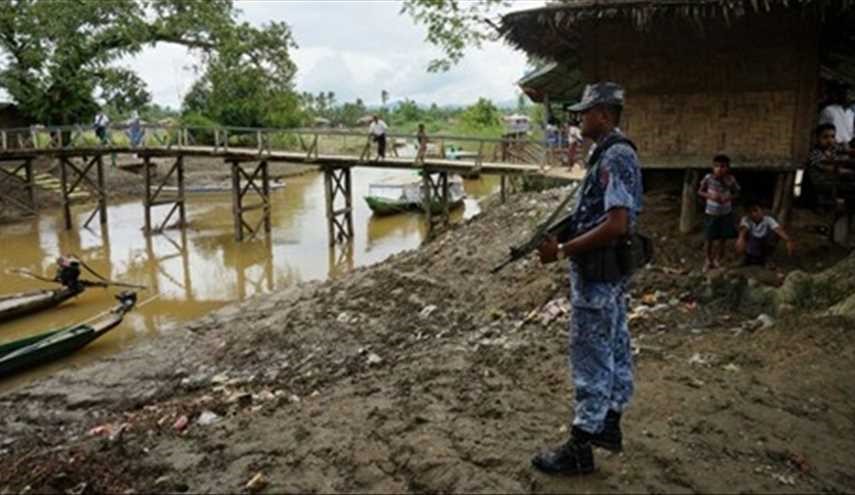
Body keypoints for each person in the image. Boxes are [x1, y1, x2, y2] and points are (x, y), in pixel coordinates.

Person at [533, 82, 643, 476]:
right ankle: (608, 425)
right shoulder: (610, 154)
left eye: (584, 112)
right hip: (605, 272)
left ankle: (581, 447)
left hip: (598, 275)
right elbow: (601, 215)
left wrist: (561, 251)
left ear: (604, 114)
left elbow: (617, 223)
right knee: (613, 345)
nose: (579, 119)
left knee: (591, 355)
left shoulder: (615, 157)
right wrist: (565, 233)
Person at [698, 154, 741, 271]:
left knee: (723, 238)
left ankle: (718, 259)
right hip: (711, 213)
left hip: (725, 213)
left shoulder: (731, 180)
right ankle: (707, 260)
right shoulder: (708, 178)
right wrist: (710, 196)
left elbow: (737, 193)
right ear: (713, 167)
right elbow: (700, 191)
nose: (719, 169)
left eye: (722, 167)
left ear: (727, 168)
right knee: (709, 238)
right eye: (716, 166)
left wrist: (728, 198)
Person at [736, 202, 794, 266]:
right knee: (743, 236)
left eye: (756, 210)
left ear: (762, 211)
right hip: (750, 245)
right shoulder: (746, 219)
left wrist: (788, 240)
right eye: (751, 212)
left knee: (774, 234)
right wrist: (740, 239)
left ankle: (767, 258)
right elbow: (744, 229)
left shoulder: (768, 219)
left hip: (763, 245)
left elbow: (778, 229)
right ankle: (744, 257)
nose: (754, 214)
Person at [807, 123, 855, 195]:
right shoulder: (814, 154)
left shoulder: (833, 149)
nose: (830, 140)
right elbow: (832, 169)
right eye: (825, 137)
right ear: (817, 138)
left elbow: (848, 150)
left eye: (832, 136)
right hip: (823, 184)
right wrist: (849, 171)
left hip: (835, 181)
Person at [818, 81, 854, 148]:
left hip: (848, 147)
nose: (848, 96)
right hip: (832, 147)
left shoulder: (851, 113)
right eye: (845, 93)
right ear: (840, 95)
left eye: (850, 94)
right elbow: (821, 131)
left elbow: (851, 133)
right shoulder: (829, 110)